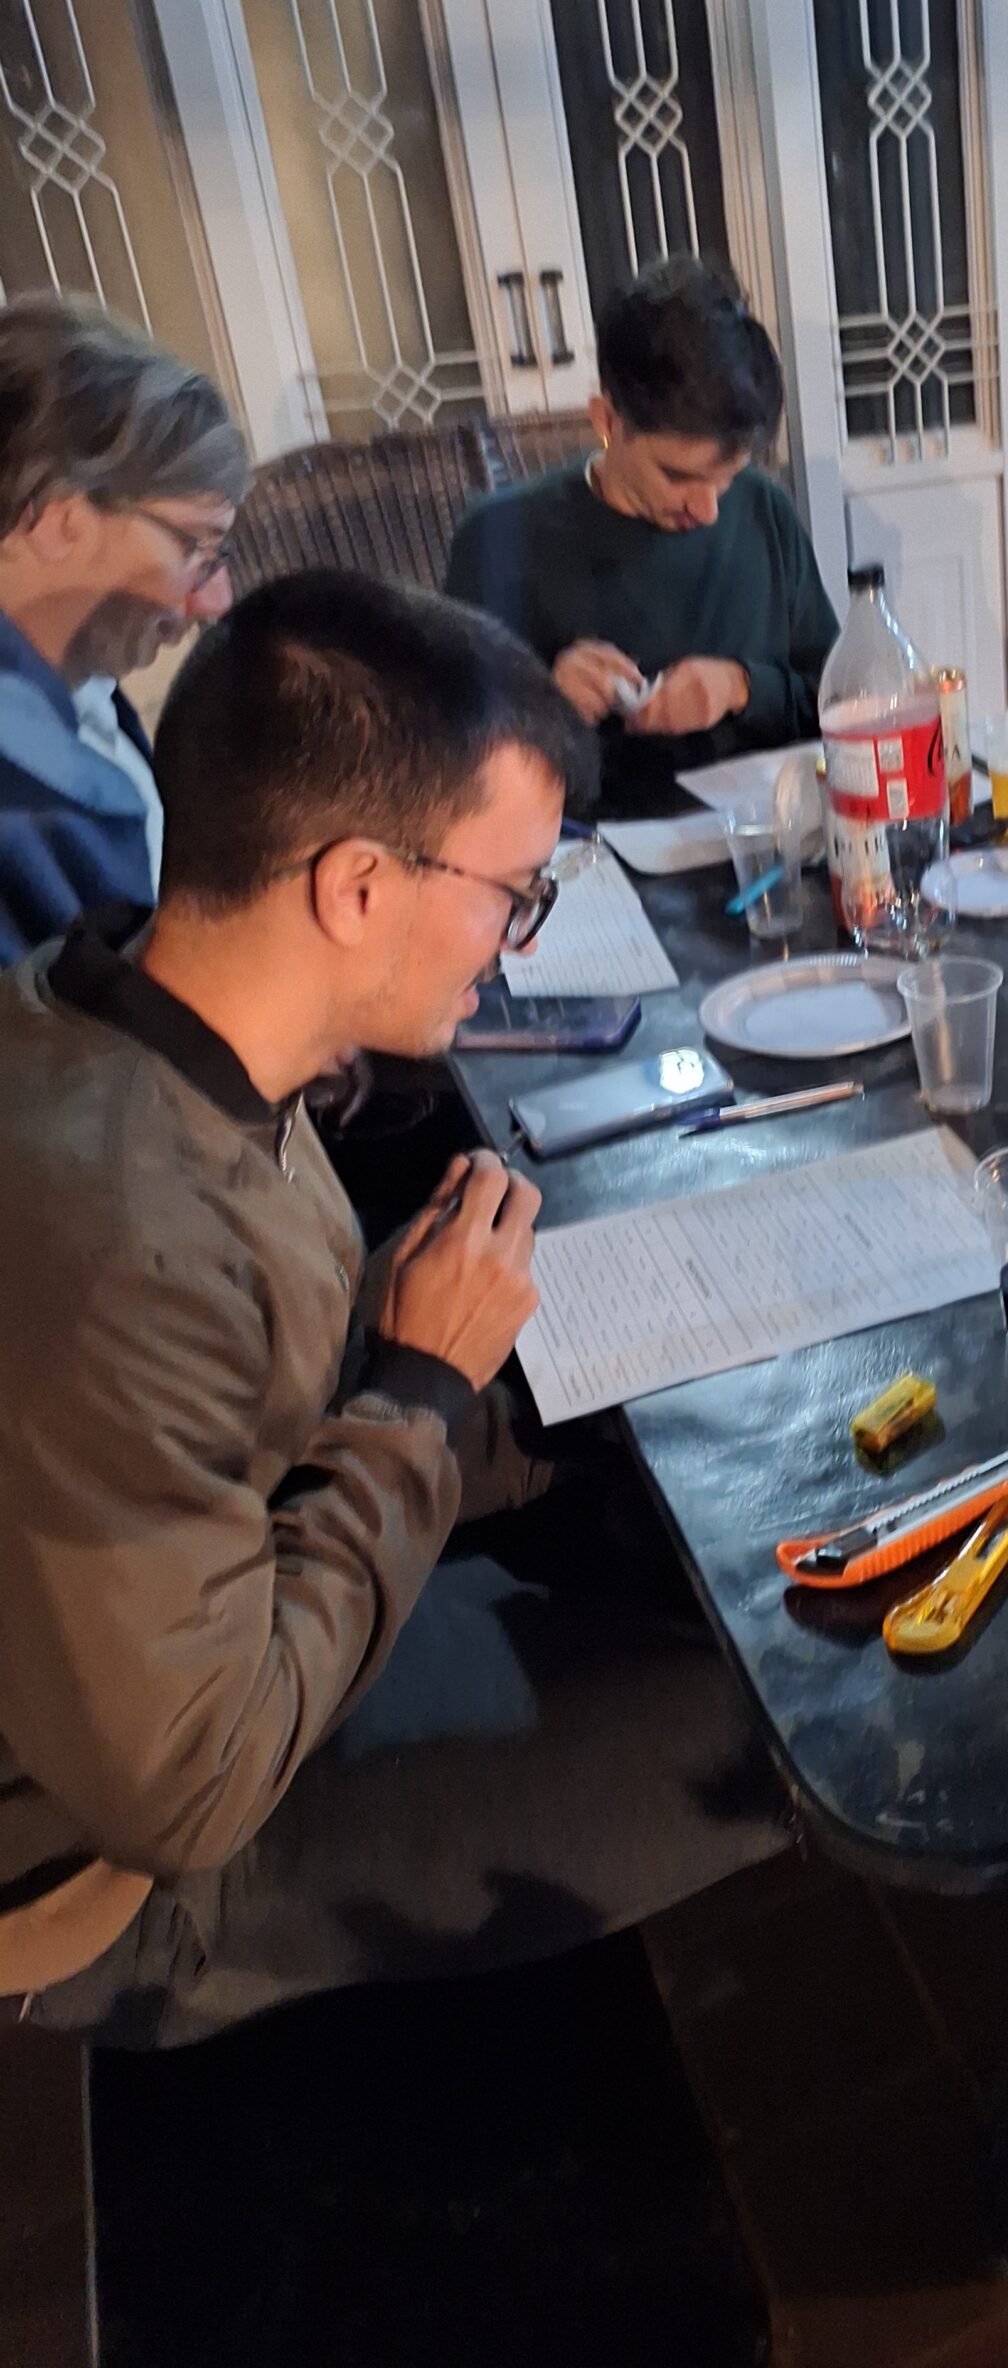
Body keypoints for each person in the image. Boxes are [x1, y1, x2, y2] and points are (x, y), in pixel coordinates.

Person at [0, 570, 789, 2048]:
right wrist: (423, 1388)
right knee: (780, 1720)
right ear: (357, 885)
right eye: (513, 893)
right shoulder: (118, 1253)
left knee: (657, 1484)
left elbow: (244, 1384)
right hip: (122, 1868)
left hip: (207, 1593)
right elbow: (194, 1784)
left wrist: (497, 1390)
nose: (516, 943)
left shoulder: (115, 1004)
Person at [444, 257, 839, 820]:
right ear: (606, 421)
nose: (707, 509)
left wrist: (742, 688)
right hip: (589, 855)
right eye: (678, 477)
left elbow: (842, 704)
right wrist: (548, 707)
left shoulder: (763, 510)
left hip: (772, 840)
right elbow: (448, 765)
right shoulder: (499, 540)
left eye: (726, 478)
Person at [0, 296, 246, 962]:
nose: (214, 600)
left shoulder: (85, 695)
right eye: (194, 546)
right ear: (57, 519)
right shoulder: (21, 801)